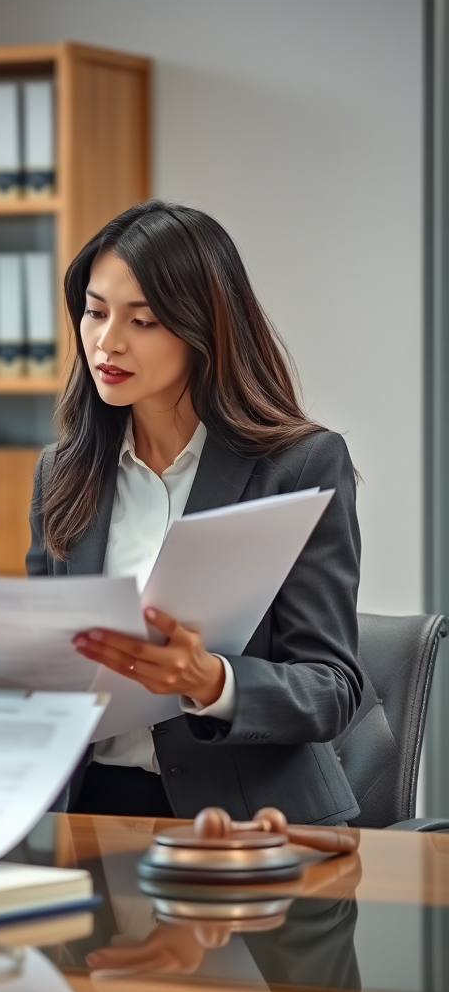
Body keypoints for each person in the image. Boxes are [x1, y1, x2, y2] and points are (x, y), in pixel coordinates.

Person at [27, 200, 362, 825]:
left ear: (202, 328)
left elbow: (332, 687)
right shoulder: (63, 472)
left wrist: (210, 680)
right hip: (91, 813)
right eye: (95, 313)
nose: (108, 341)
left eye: (143, 320)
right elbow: (52, 659)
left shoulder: (298, 466)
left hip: (251, 822)